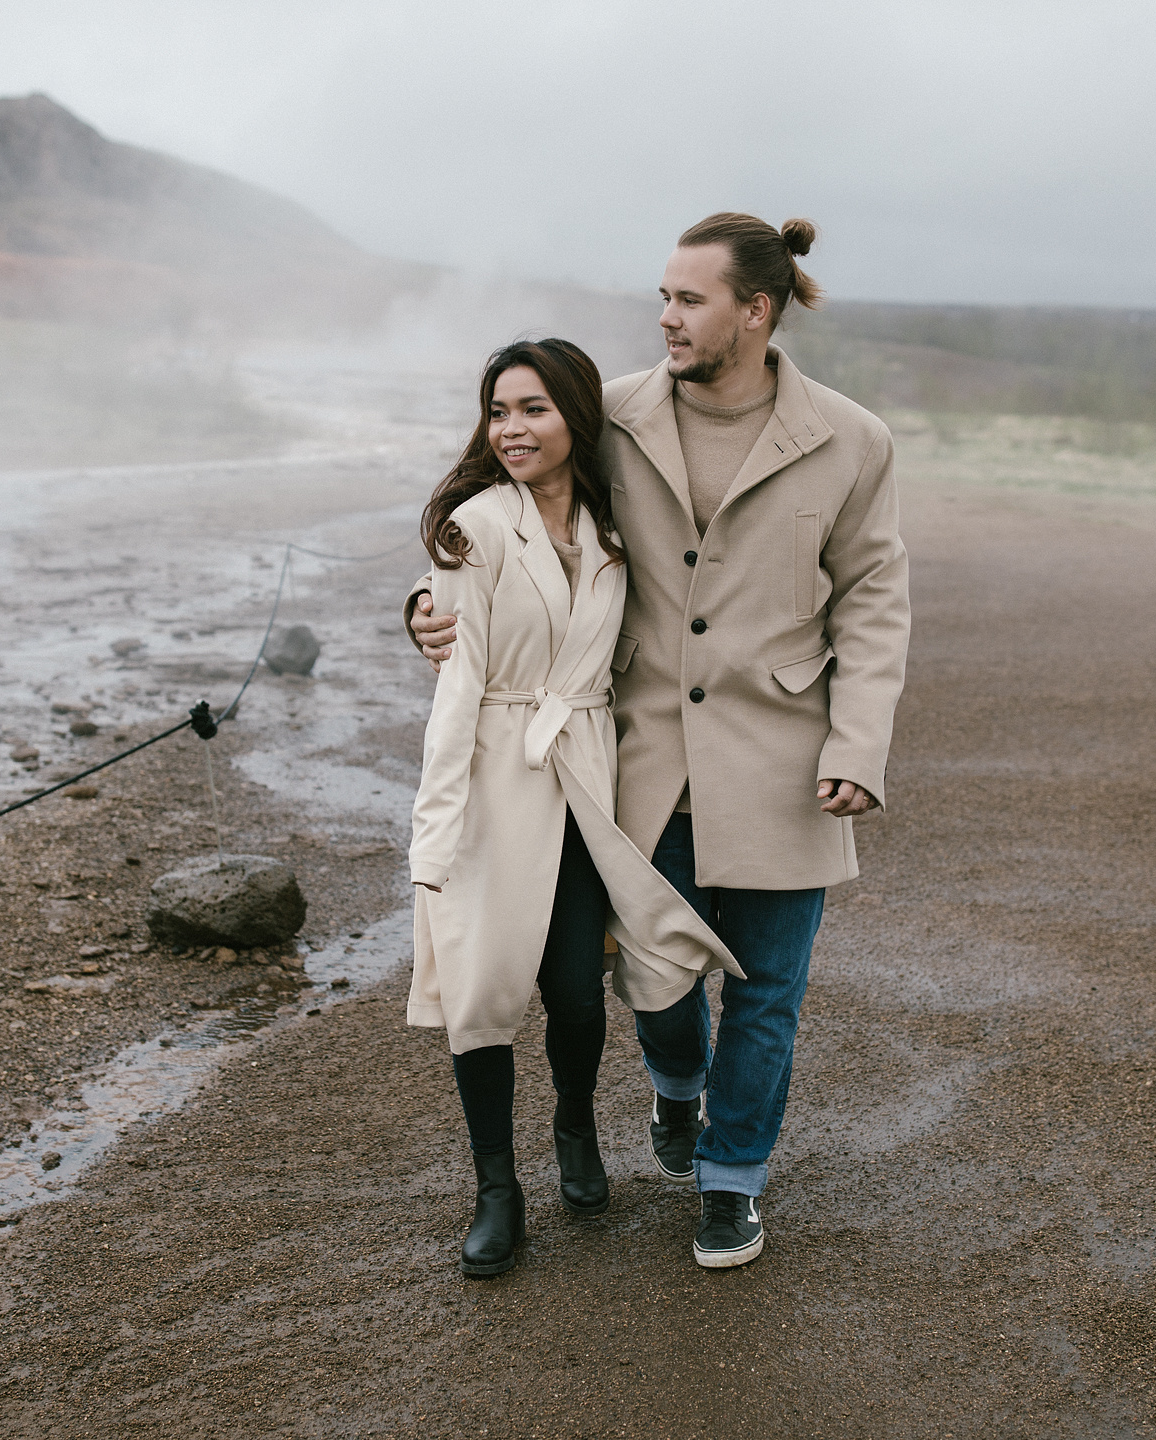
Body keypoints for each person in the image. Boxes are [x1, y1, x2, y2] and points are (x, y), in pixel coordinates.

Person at [410, 214, 910, 1269]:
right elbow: (514, 507)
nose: (667, 318)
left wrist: (857, 745)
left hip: (788, 759)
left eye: (689, 300)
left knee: (768, 992)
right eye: (664, 298)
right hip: (637, 758)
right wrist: (428, 600)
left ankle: (732, 1181)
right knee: (659, 978)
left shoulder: (853, 440)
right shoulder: (616, 415)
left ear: (755, 311)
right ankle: (676, 1086)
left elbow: (872, 598)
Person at [408, 337, 741, 1279]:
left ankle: (575, 1129)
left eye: (534, 410)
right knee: (483, 990)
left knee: (572, 987)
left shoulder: (616, 526)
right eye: (499, 412)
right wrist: (435, 831)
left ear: (576, 418)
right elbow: (457, 688)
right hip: (492, 776)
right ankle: (495, 1190)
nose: (511, 429)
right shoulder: (472, 527)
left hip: (588, 771)